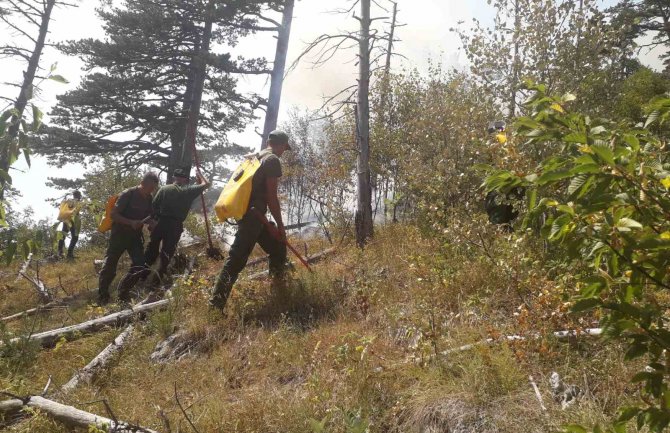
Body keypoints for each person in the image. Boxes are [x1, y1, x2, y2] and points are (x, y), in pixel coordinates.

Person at [209, 130, 291, 310]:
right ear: (281, 145)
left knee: (278, 248)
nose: (284, 152)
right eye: (285, 148)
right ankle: (215, 306)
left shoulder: (255, 157)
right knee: (236, 259)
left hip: (253, 215)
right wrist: (281, 227)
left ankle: (279, 289)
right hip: (253, 217)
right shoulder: (272, 160)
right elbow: (271, 196)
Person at [97, 172, 160, 305]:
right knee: (109, 266)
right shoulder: (128, 194)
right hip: (119, 236)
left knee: (139, 265)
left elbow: (149, 216)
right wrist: (130, 222)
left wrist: (152, 223)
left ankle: (123, 292)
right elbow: (114, 215)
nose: (152, 191)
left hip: (135, 238)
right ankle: (102, 296)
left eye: (154, 188)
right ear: (143, 184)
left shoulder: (149, 198)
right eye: (151, 188)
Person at [144, 168, 211, 282]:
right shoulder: (188, 190)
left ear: (174, 178)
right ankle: (156, 280)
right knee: (167, 253)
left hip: (160, 223)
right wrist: (199, 174)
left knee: (151, 250)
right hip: (175, 225)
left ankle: (141, 274)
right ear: (185, 179)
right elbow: (207, 184)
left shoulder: (164, 189)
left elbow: (153, 207)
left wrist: (152, 222)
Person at [57, 190, 83, 259]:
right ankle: (68, 254)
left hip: (66, 220)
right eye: (79, 195)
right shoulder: (74, 201)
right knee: (74, 237)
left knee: (63, 235)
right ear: (77, 195)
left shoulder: (70, 201)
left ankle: (60, 252)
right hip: (71, 221)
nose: (80, 197)